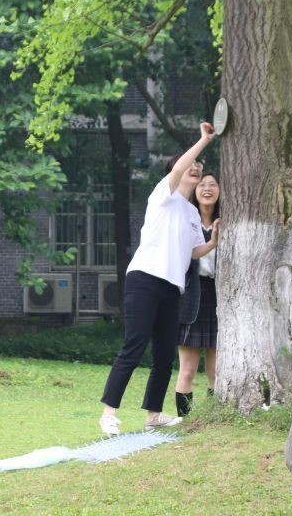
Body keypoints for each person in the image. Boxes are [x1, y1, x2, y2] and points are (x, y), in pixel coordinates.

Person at [99, 123, 220, 436]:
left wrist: (212, 243)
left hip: (172, 288)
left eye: (200, 166)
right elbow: (180, 167)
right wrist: (203, 141)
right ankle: (109, 412)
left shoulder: (191, 213)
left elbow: (193, 252)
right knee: (134, 346)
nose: (196, 168)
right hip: (144, 279)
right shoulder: (163, 194)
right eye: (191, 164)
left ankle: (153, 415)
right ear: (174, 171)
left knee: (165, 355)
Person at [175, 172, 221, 416]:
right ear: (195, 190)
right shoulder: (186, 220)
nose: (207, 189)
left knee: (216, 371)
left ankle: (214, 418)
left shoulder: (227, 222)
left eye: (213, 184)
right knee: (188, 370)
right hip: (191, 296)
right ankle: (185, 420)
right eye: (202, 184)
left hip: (220, 296)